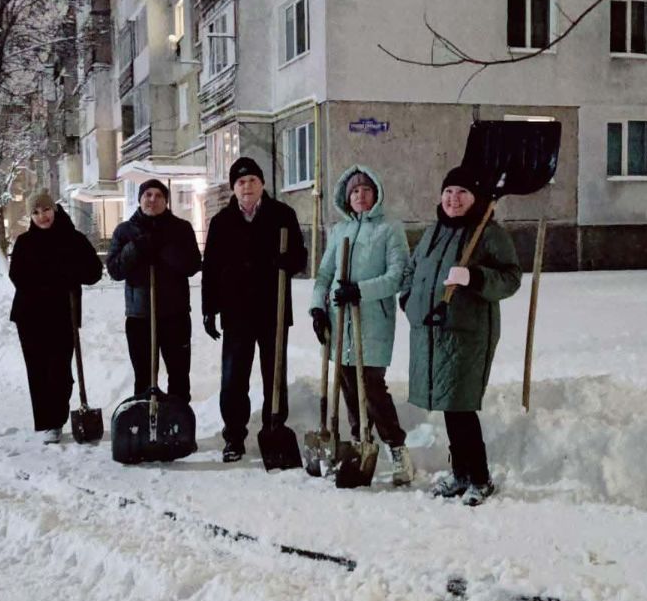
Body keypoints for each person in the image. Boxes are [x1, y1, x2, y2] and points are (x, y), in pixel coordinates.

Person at [399, 167, 521, 506]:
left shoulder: (488, 232)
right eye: (449, 191)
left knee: (461, 405)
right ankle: (461, 474)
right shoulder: (433, 231)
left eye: (462, 193)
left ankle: (480, 478)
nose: (454, 199)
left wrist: (474, 277)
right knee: (449, 406)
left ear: (475, 198)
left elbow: (511, 277)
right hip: (430, 329)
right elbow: (413, 268)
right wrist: (409, 300)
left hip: (467, 332)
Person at [310, 166, 414, 485]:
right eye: (354, 191)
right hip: (341, 322)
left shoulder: (389, 229)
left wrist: (360, 291)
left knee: (371, 388)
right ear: (347, 196)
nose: (360, 195)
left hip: (372, 321)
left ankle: (398, 451)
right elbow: (325, 273)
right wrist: (317, 307)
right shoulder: (340, 230)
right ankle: (359, 446)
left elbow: (399, 275)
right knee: (348, 389)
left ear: (376, 193)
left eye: (366, 189)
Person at [202, 157, 308, 462]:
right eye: (240, 182)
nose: (246, 186)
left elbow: (299, 256)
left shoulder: (282, 215)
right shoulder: (221, 222)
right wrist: (209, 309)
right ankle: (234, 436)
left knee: (274, 373)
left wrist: (289, 262)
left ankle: (275, 427)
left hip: (272, 310)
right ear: (234, 188)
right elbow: (210, 269)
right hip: (236, 313)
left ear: (262, 184)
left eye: (251, 181)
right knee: (234, 378)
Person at [8, 190, 104, 444]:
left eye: (46, 210)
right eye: (36, 212)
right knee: (38, 371)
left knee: (59, 371)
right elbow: (17, 276)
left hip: (64, 316)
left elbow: (94, 272)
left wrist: (73, 272)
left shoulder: (73, 239)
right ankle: (49, 423)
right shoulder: (25, 242)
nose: (42, 216)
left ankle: (58, 416)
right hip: (30, 316)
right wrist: (51, 281)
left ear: (55, 209)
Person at [106, 179, 202, 401]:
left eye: (159, 195)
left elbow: (192, 265)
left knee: (179, 374)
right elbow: (115, 270)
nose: (153, 199)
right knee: (144, 377)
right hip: (140, 316)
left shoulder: (181, 229)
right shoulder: (125, 231)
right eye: (147, 194)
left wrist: (164, 248)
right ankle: (144, 425)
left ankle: (177, 426)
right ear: (140, 199)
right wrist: (136, 247)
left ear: (166, 201)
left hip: (175, 315)